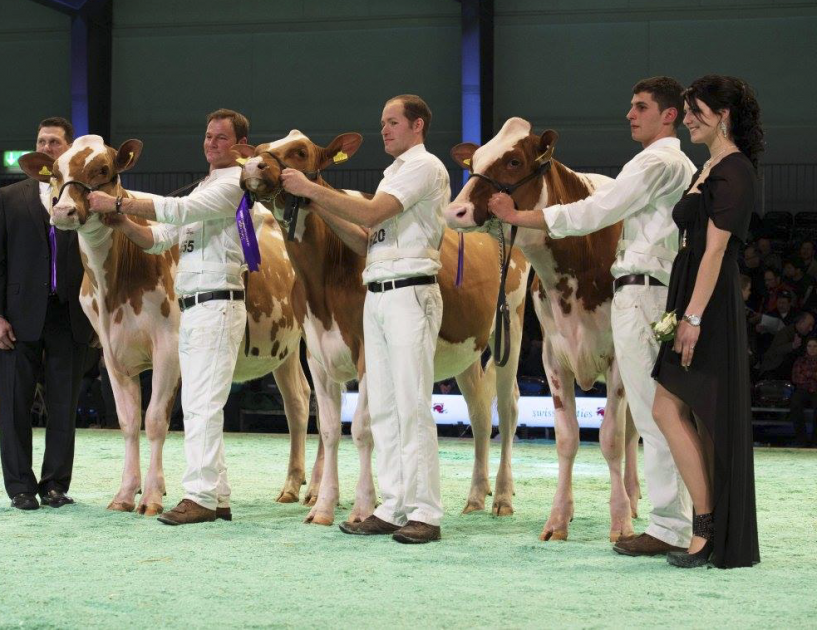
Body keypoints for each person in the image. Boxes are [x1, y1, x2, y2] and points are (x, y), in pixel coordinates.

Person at [489, 76, 696, 556]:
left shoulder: (658, 161)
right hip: (646, 288)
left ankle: (671, 525)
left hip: (644, 291)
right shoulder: (674, 162)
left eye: (640, 107)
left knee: (653, 415)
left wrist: (522, 217)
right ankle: (674, 521)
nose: (630, 114)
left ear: (668, 115)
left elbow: (600, 209)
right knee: (656, 413)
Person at [279, 94, 448, 544]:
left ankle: (426, 512)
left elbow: (373, 213)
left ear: (418, 126)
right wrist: (320, 209)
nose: (384, 130)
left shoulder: (423, 167)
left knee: (412, 405)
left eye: (393, 122)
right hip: (379, 289)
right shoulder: (394, 173)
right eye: (382, 123)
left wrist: (314, 190)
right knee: (386, 409)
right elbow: (364, 241)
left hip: (410, 291)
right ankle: (392, 506)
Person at [86, 108, 252, 525]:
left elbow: (175, 212)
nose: (211, 143)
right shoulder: (209, 187)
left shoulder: (234, 183)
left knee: (202, 405)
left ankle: (199, 497)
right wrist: (123, 222)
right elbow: (159, 240)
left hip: (218, 301)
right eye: (208, 135)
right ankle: (218, 494)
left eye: (221, 138)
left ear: (240, 147)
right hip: (194, 303)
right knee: (200, 403)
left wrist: (119, 200)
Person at [651, 74, 763, 568]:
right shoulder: (711, 166)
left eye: (696, 111)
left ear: (724, 116)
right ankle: (709, 525)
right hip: (691, 297)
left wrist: (692, 316)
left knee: (670, 409)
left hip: (708, 306)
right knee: (684, 411)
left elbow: (716, 250)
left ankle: (706, 527)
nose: (688, 118)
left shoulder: (733, 170)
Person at [0, 117, 93, 510]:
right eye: (41, 141)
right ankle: (20, 488)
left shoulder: (85, 197)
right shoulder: (9, 197)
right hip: (17, 315)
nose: (47, 148)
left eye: (55, 142)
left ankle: (54, 486)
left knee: (64, 404)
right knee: (13, 404)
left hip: (71, 313)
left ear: (68, 149)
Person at [789, 336, 817, 446]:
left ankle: (816, 441)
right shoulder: (800, 361)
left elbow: (802, 375)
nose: (812, 348)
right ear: (806, 347)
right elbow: (796, 378)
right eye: (810, 346)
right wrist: (813, 375)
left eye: (815, 346)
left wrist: (806, 374)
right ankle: (802, 440)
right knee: (795, 403)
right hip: (803, 389)